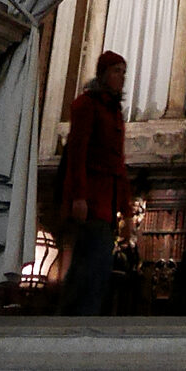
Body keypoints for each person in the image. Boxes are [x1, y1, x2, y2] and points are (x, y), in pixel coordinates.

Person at [57, 49, 128, 316]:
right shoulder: (87, 105)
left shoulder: (115, 111)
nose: (121, 77)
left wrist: (126, 211)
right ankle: (73, 322)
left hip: (106, 204)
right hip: (90, 200)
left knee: (94, 268)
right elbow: (78, 152)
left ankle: (76, 320)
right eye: (115, 71)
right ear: (103, 74)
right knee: (90, 267)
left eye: (123, 71)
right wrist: (78, 196)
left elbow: (118, 163)